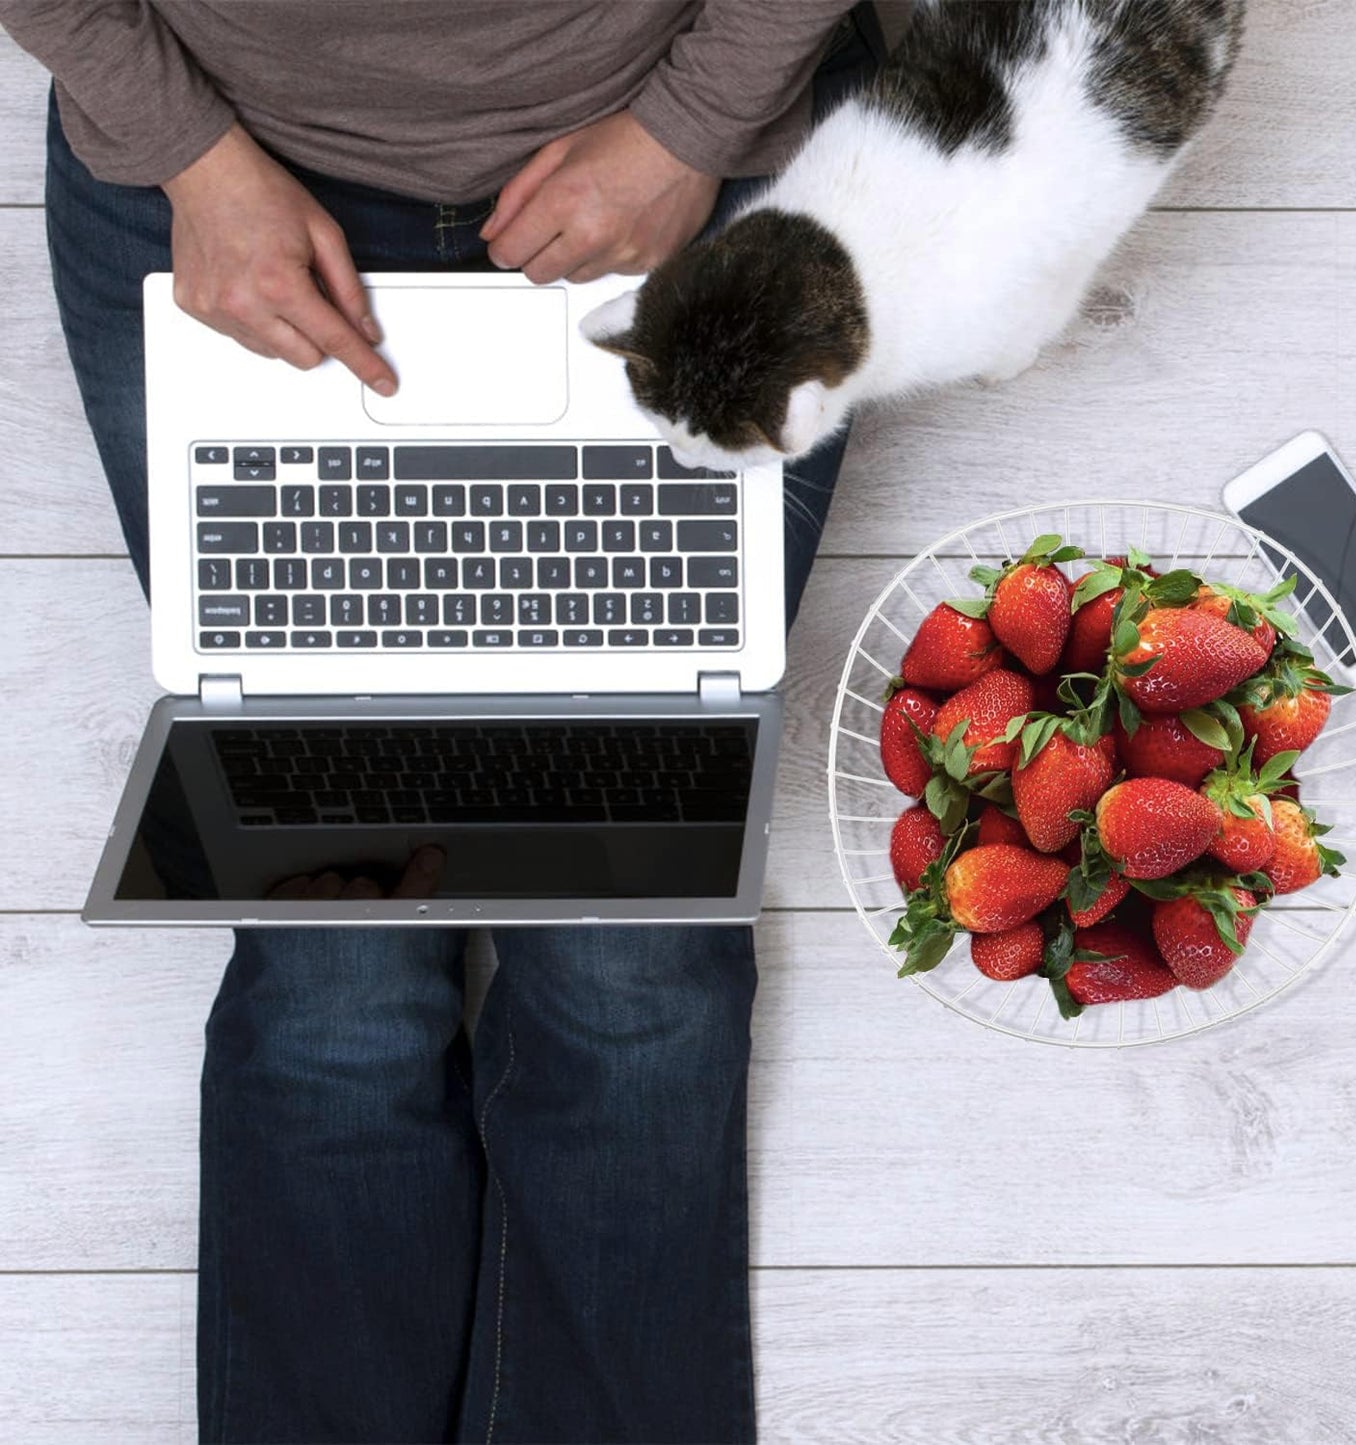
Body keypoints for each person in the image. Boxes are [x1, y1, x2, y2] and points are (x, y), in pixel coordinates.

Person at [0, 4, 884, 1440]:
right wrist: (188, 155)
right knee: (333, 969)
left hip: (691, 153)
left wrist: (690, 126)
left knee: (634, 953)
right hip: (229, 187)